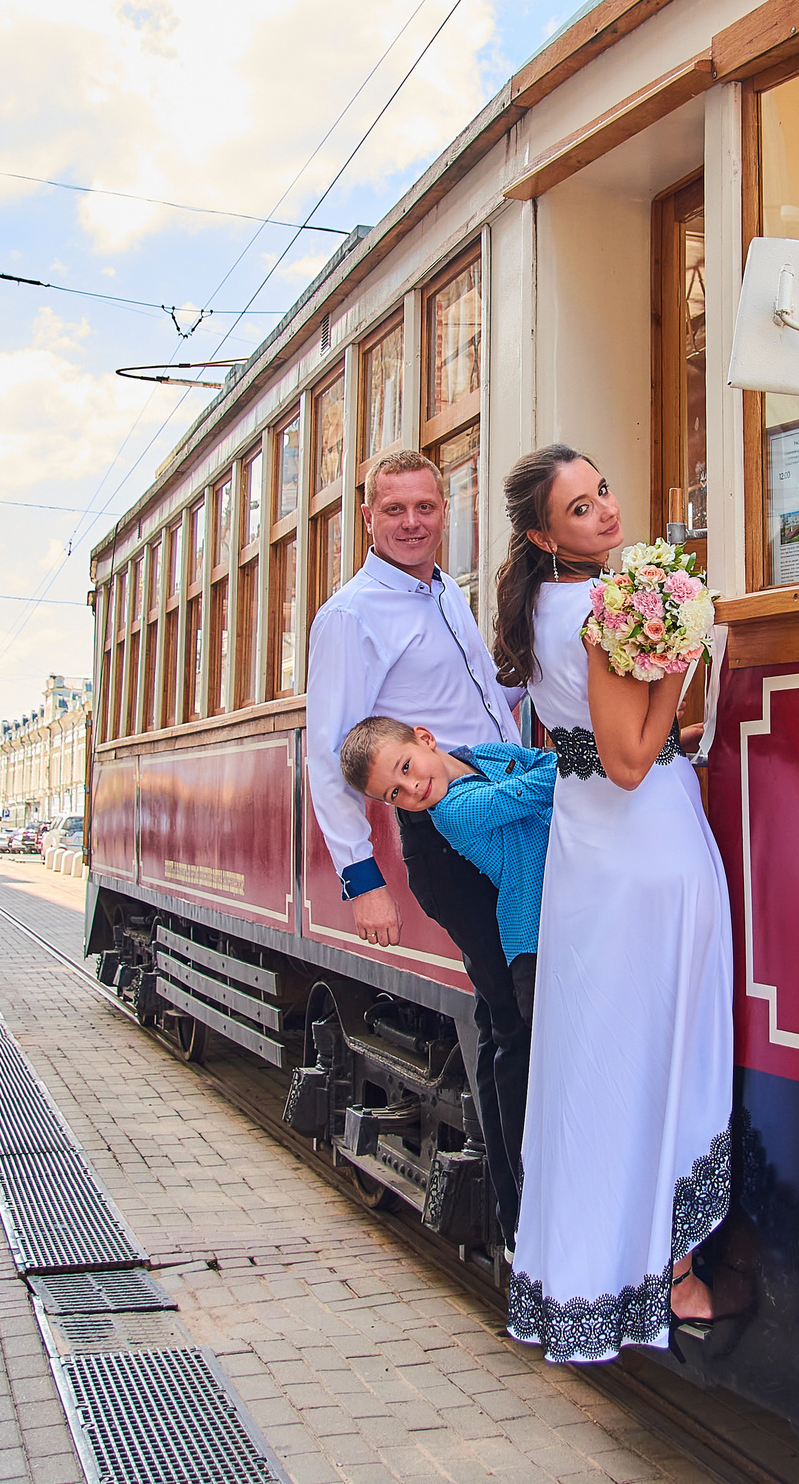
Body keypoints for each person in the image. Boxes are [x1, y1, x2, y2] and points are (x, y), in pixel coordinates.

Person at [491, 443, 734, 1364]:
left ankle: (596, 1275)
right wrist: (685, 647)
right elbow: (634, 759)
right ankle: (667, 1275)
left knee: (597, 1062)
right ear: (543, 534)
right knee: (661, 1054)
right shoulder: (599, 607)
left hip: (591, 851)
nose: (605, 510)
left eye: (604, 492)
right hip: (644, 847)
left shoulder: (555, 604)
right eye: (582, 507)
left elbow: (594, 743)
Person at [305, 448, 530, 1241]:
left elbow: (475, 704)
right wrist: (363, 878)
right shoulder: (353, 614)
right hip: (447, 833)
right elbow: (331, 753)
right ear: (367, 517)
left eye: (425, 507)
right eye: (394, 509)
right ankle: (519, 1223)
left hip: (498, 803)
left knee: (526, 1008)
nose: (411, 523)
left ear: (446, 510)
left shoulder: (446, 595)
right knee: (511, 1015)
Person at [339, 717, 553, 1021]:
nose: (411, 788)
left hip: (558, 916)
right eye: (395, 795)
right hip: (534, 944)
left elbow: (546, 762)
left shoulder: (487, 753)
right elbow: (543, 785)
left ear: (425, 738)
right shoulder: (454, 811)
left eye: (405, 767)